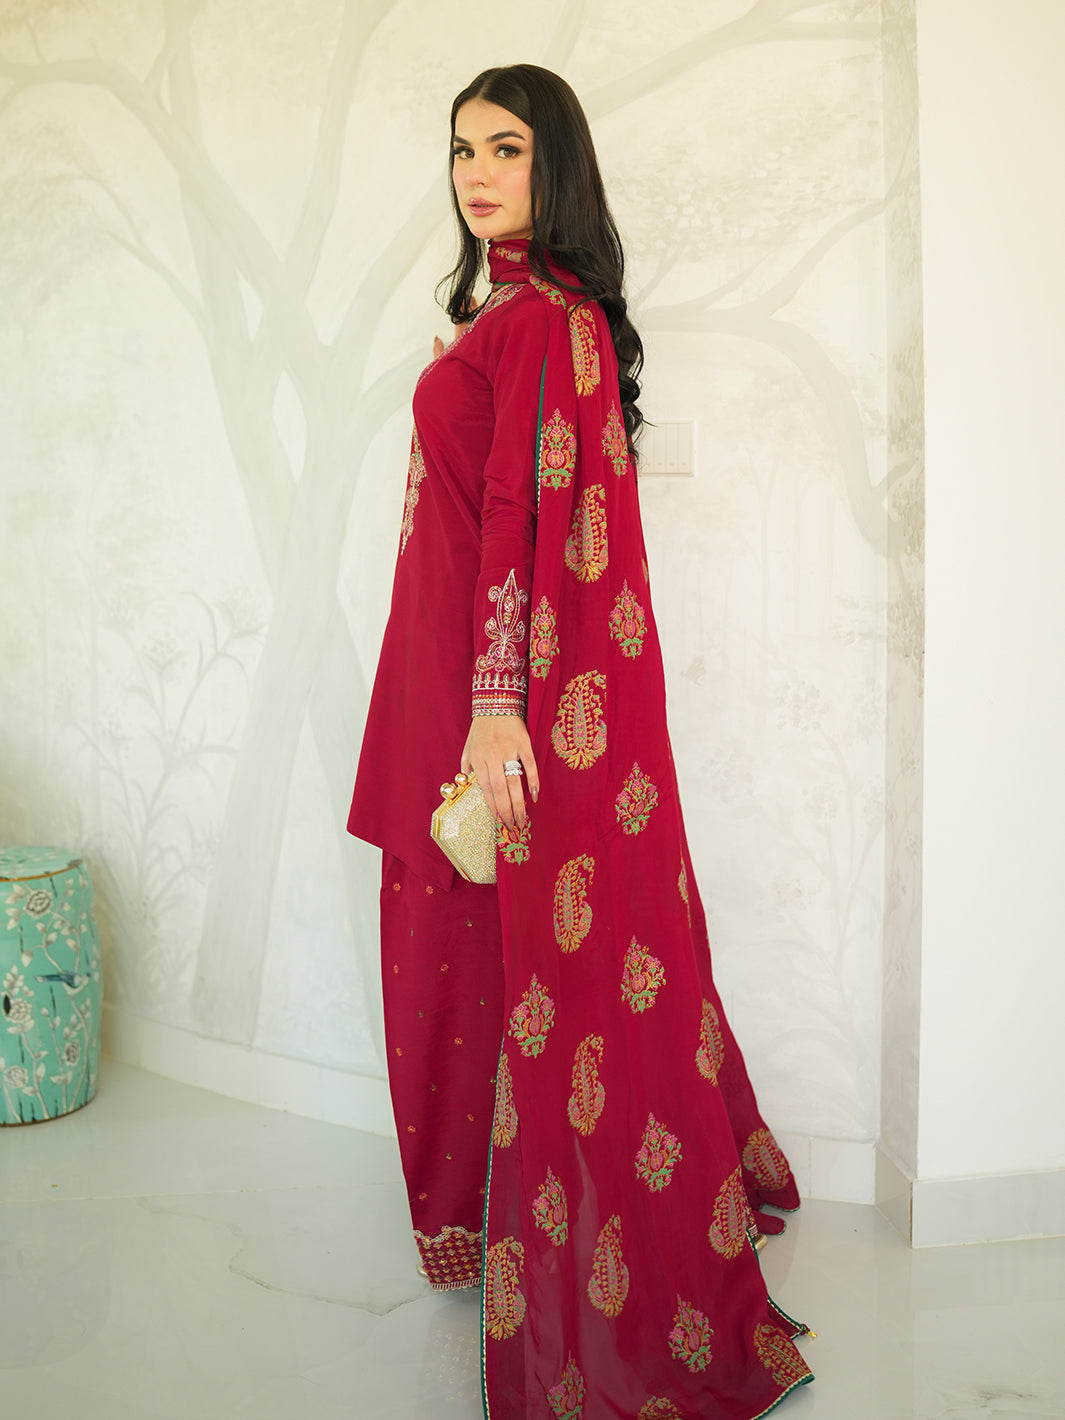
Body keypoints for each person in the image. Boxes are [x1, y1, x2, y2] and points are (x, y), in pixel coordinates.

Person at [348, 62, 814, 1419]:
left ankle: (566, 1236)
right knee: (458, 947)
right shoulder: (512, 314)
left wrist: (498, 699)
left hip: (483, 693)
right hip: (443, 675)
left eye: (505, 148)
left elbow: (516, 514)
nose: (475, 174)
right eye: (460, 151)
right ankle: (481, 1210)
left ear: (555, 162)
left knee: (512, 958)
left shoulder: (548, 320)